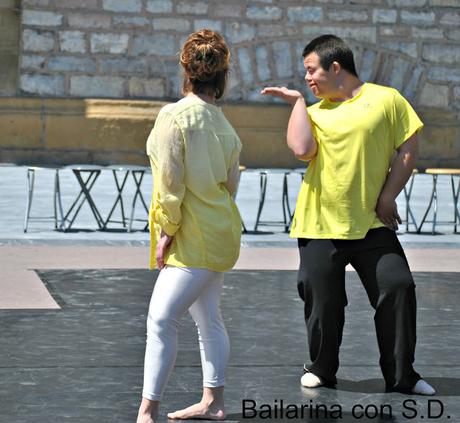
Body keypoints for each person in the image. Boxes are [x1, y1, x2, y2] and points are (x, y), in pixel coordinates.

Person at [261, 34, 435, 396]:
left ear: (335, 66)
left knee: (398, 286)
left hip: (372, 223)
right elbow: (300, 150)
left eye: (311, 70)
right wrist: (295, 103)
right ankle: (322, 369)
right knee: (323, 300)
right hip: (320, 223)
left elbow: (408, 148)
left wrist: (388, 196)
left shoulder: (386, 100)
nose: (307, 79)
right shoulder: (313, 112)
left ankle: (402, 376)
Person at [136, 29, 242, 423]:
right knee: (209, 318)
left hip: (192, 235)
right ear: (222, 74)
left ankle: (148, 411)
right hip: (221, 231)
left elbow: (170, 182)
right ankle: (212, 401)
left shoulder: (173, 116)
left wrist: (167, 232)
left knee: (161, 319)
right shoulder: (224, 125)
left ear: (186, 69)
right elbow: (231, 184)